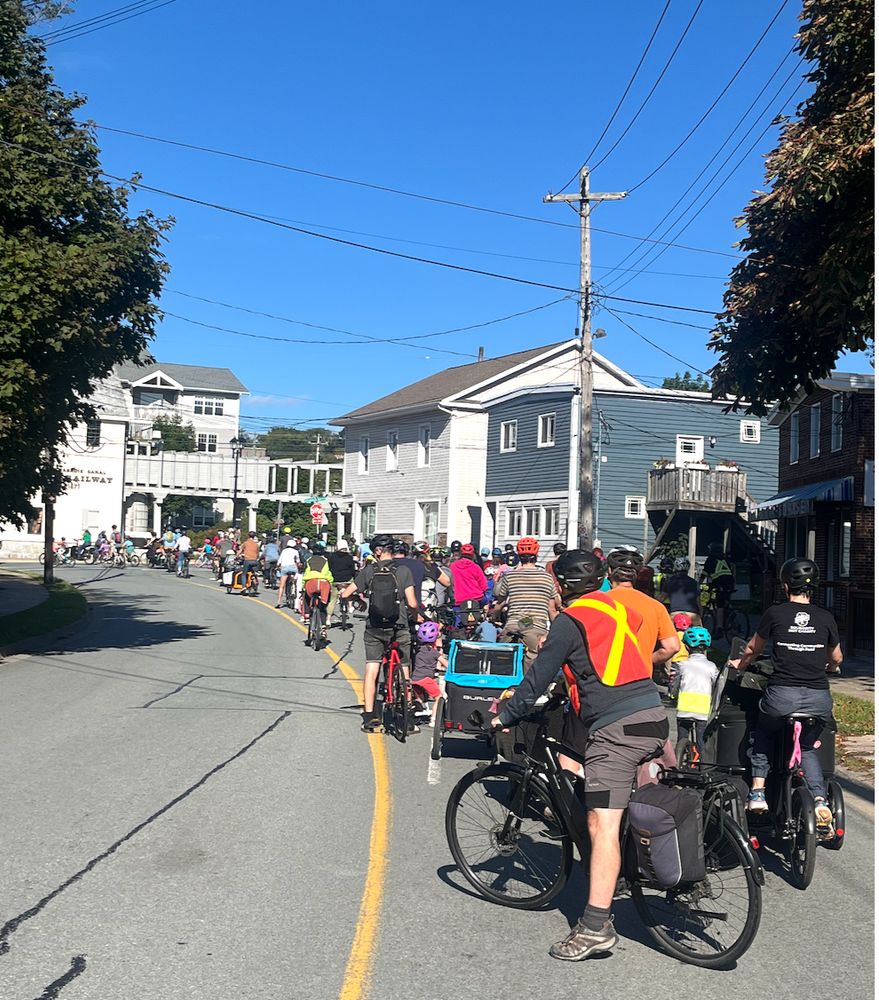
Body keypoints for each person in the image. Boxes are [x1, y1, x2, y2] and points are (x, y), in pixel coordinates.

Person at [492, 550, 668, 961]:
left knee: (600, 823)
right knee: (604, 792)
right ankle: (622, 870)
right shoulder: (622, 608)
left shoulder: (569, 622)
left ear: (561, 585)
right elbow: (610, 656)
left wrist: (506, 715)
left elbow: (539, 676)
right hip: (652, 714)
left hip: (616, 726)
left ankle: (594, 928)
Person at [732, 558, 842, 834]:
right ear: (813, 588)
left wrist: (740, 665)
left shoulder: (775, 613)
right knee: (806, 746)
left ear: (784, 585)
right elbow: (836, 657)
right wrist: (833, 667)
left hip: (782, 696)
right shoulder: (826, 617)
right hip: (818, 698)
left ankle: (758, 792)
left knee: (763, 733)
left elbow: (752, 649)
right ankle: (819, 799)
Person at [338, 534, 420, 733]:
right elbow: (412, 603)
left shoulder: (369, 571)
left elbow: (346, 593)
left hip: (375, 627)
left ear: (377, 551)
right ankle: (407, 718)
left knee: (372, 669)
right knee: (405, 668)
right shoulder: (404, 571)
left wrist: (360, 600)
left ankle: (369, 717)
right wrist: (415, 617)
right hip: (399, 626)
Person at [605, 545, 680, 678]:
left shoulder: (595, 603)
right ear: (637, 574)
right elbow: (672, 647)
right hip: (641, 683)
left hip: (606, 680)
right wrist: (647, 659)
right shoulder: (656, 606)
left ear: (609, 571)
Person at [492, 536, 561, 668]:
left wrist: (493, 616)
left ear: (519, 556)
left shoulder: (509, 576)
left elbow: (499, 604)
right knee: (535, 660)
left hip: (513, 625)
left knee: (503, 658)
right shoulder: (546, 578)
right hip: (535, 627)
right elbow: (552, 610)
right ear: (536, 555)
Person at [669, 626, 718, 754]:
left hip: (685, 709)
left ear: (686, 646)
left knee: (682, 737)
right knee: (702, 741)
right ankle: (703, 767)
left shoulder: (681, 665)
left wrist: (673, 695)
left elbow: (674, 685)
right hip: (703, 710)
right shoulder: (712, 667)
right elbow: (716, 688)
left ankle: (678, 763)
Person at [411, 620, 447, 727]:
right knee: (439, 697)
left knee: (420, 697)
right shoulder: (434, 653)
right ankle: (434, 719)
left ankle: (416, 710)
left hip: (415, 678)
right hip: (426, 679)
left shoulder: (418, 650)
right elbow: (446, 664)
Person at [300, 541, 334, 642]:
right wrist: (330, 584)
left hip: (311, 582)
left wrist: (303, 586)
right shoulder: (326, 561)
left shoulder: (309, 560)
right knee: (323, 605)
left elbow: (305, 574)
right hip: (324, 583)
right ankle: (323, 627)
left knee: (306, 596)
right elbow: (329, 574)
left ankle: (306, 614)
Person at [701, 542, 735, 631]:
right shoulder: (725, 559)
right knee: (726, 599)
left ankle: (719, 627)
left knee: (720, 605)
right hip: (730, 582)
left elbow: (704, 573)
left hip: (720, 583)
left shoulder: (710, 559)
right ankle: (731, 613)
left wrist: (698, 583)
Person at [661, 557, 702, 623]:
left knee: (669, 632)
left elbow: (661, 599)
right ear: (688, 568)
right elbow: (698, 603)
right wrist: (700, 616)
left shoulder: (669, 581)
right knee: (700, 631)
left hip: (674, 613)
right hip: (692, 614)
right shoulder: (694, 582)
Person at [327, 539, 357, 622]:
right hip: (347, 579)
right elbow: (353, 570)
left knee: (332, 600)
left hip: (335, 579)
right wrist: (353, 577)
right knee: (350, 591)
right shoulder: (349, 557)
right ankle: (350, 605)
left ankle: (328, 619)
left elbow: (329, 568)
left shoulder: (332, 556)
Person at [276, 539, 300, 608]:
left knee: (282, 585)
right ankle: (294, 586)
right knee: (296, 580)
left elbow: (279, 561)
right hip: (293, 567)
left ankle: (279, 601)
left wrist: (277, 566)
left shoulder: (284, 551)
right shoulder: (295, 551)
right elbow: (298, 561)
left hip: (284, 568)